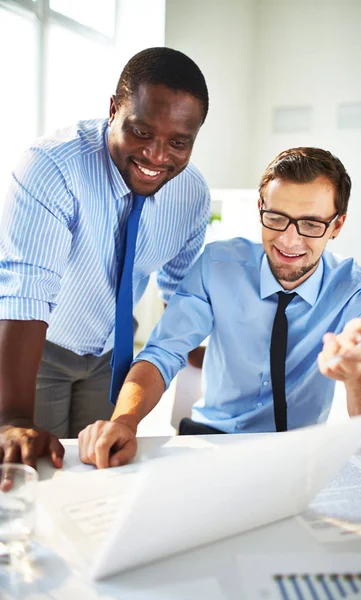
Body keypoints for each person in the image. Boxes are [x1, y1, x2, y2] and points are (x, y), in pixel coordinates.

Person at [78, 146, 361, 468]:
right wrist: (124, 421)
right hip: (212, 439)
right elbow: (162, 353)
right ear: (260, 208)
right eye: (276, 218)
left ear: (337, 226)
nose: (289, 241)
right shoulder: (217, 264)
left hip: (300, 454)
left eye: (312, 225)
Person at [0, 47, 210, 468]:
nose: (156, 155)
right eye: (142, 132)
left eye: (178, 142)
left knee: (99, 472)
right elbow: (26, 288)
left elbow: (182, 298)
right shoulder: (53, 166)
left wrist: (216, 360)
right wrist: (12, 419)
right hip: (38, 350)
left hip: (111, 356)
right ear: (113, 109)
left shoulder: (192, 196)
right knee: (32, 469)